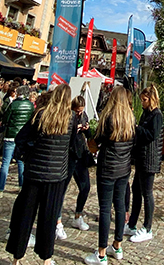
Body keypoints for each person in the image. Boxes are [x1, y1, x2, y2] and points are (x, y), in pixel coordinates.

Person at [6, 84, 75, 265]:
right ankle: (46, 258)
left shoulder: (41, 115)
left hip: (35, 172)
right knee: (49, 217)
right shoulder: (71, 118)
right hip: (56, 175)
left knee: (25, 215)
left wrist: (31, 153)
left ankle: (17, 257)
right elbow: (73, 146)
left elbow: (21, 138)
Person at [84, 86, 136, 265]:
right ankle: (118, 245)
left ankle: (101, 253)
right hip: (124, 168)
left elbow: (96, 142)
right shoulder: (130, 118)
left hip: (107, 168)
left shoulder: (108, 117)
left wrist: (90, 138)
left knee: (105, 209)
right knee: (120, 206)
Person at [126, 84, 163, 243]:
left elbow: (152, 135)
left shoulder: (156, 115)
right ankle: (132, 224)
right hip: (141, 157)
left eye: (144, 99)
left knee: (147, 192)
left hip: (150, 158)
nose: (142, 102)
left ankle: (148, 227)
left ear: (151, 99)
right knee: (136, 190)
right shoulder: (147, 114)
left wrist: (137, 129)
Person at [0, 85, 34, 192]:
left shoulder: (13, 104)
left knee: (6, 162)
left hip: (11, 135)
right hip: (23, 136)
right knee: (20, 162)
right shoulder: (30, 105)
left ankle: (0, 188)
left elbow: (5, 119)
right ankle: (21, 186)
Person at [66, 95, 92, 233]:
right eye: (77, 111)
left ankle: (78, 214)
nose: (79, 113)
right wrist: (74, 129)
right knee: (62, 187)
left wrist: (86, 129)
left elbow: (89, 135)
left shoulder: (84, 116)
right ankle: (56, 219)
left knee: (85, 187)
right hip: (70, 155)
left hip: (81, 155)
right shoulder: (68, 116)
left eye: (81, 111)